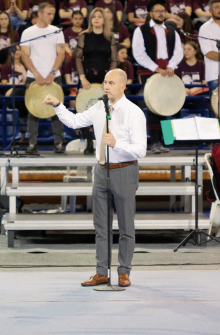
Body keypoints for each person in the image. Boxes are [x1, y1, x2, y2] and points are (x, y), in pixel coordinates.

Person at [43, 68, 146, 288]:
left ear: (122, 86)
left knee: (126, 226)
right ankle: (102, 271)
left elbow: (141, 150)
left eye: (110, 83)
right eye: (104, 82)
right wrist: (58, 105)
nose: (105, 86)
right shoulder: (99, 107)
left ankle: (124, 272)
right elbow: (74, 121)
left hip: (125, 170)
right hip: (101, 171)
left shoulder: (134, 112)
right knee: (101, 226)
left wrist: (117, 144)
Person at [132, 0, 183, 154]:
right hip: (150, 72)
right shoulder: (141, 30)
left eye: (163, 11)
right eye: (158, 11)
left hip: (168, 72)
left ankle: (166, 140)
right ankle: (154, 141)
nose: (161, 14)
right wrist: (155, 68)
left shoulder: (172, 31)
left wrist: (170, 66)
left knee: (167, 105)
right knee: (154, 106)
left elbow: (178, 52)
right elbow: (139, 53)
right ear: (151, 13)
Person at [19, 3, 66, 154]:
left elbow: (61, 53)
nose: (51, 16)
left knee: (57, 111)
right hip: (34, 76)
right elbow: (25, 55)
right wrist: (36, 74)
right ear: (39, 14)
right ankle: (32, 144)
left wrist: (52, 73)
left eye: (53, 14)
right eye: (48, 13)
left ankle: (59, 143)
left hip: (54, 76)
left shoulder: (57, 31)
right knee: (33, 111)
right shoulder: (28, 32)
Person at [73, 7, 117, 153]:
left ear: (104, 19)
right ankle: (88, 143)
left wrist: (109, 79)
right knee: (85, 109)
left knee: (105, 111)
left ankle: (103, 142)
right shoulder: (84, 36)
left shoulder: (110, 38)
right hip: (87, 77)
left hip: (104, 78)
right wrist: (82, 77)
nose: (96, 19)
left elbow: (114, 60)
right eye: (94, 17)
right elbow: (78, 59)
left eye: (99, 16)